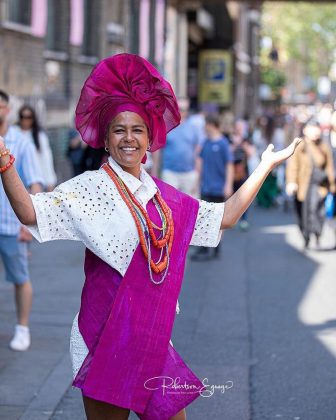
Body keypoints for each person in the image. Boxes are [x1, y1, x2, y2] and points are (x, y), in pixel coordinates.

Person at [0, 54, 301, 420]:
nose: (129, 137)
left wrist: (264, 167)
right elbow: (31, 212)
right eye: (119, 130)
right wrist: (4, 163)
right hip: (103, 332)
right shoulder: (91, 189)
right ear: (107, 141)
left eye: (137, 129)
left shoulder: (163, 196)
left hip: (150, 338)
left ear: (149, 139)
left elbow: (224, 216)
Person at [0, 91, 43, 351]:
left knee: (19, 277)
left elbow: (35, 181)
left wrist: (31, 223)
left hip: (10, 224)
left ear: (7, 109)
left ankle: (22, 327)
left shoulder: (21, 142)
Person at [286, 118, 335, 249]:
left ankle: (317, 235)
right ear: (305, 130)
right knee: (302, 213)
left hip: (319, 185)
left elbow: (329, 167)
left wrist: (332, 185)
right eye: (312, 128)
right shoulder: (300, 145)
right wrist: (291, 182)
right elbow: (293, 166)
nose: (315, 132)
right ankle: (306, 236)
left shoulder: (323, 146)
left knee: (318, 212)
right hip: (303, 186)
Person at [191, 113, 234, 261]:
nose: (203, 128)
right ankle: (204, 248)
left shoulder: (223, 143)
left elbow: (229, 165)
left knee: (217, 219)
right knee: (204, 217)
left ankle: (215, 247)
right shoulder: (206, 143)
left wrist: (228, 185)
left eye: (205, 125)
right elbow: (200, 163)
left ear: (211, 125)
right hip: (206, 187)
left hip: (218, 187)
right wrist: (197, 183)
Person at [153, 98, 201, 196]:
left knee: (191, 205)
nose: (181, 111)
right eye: (179, 108)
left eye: (184, 109)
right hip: (170, 173)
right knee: (170, 204)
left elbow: (198, 153)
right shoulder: (166, 126)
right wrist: (154, 172)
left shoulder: (193, 127)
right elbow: (157, 151)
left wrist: (197, 175)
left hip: (189, 173)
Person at [17, 104, 57, 191]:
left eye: (28, 117)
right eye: (22, 117)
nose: (25, 120)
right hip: (18, 181)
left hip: (36, 182)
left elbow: (46, 159)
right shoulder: (14, 135)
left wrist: (50, 181)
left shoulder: (39, 136)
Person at [230, 119, 256, 230]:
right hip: (231, 170)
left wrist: (244, 146)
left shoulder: (247, 140)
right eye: (238, 127)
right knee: (231, 195)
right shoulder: (229, 139)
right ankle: (230, 217)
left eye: (242, 127)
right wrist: (235, 146)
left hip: (243, 170)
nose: (240, 129)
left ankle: (243, 219)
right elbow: (226, 152)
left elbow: (252, 153)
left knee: (243, 195)